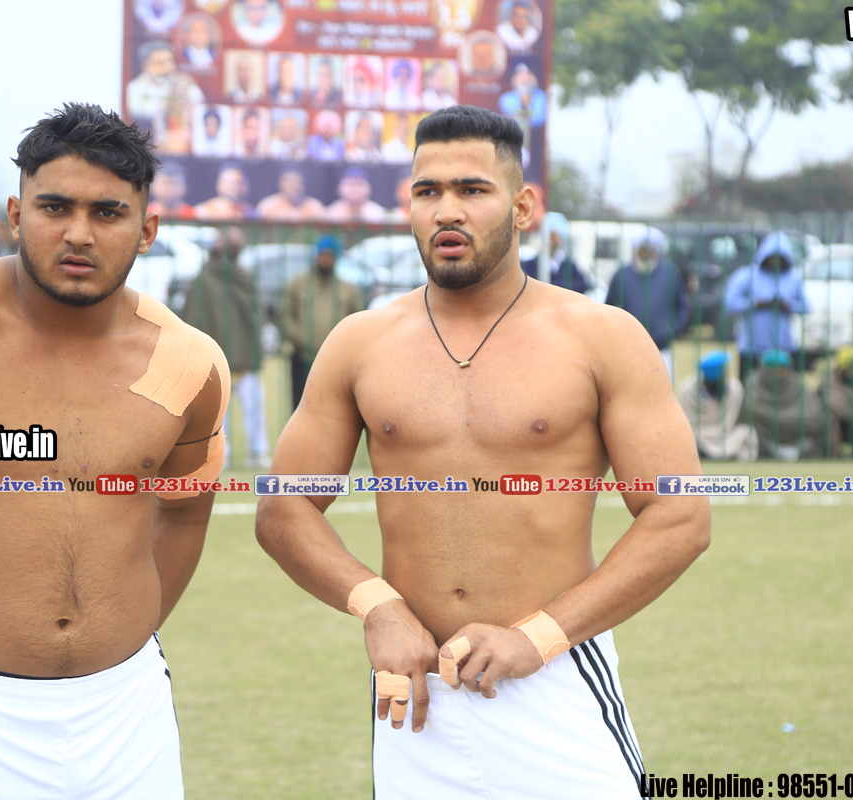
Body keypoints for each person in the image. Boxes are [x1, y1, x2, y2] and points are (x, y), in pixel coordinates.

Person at [256, 105, 709, 799]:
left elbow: (679, 518)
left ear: (523, 207)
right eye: (428, 191)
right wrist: (377, 607)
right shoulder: (361, 341)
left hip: (554, 677)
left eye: (472, 189)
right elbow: (284, 509)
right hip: (414, 689)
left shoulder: (601, 336)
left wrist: (539, 637)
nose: (447, 210)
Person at [0, 103, 228, 799]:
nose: (79, 233)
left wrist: (117, 637)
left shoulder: (188, 362)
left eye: (108, 213)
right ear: (17, 215)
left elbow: (184, 511)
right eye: (55, 207)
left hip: (127, 708)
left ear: (147, 230)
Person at [181, 228, 270, 468]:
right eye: (229, 242)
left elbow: (257, 314)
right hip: (215, 357)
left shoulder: (244, 277)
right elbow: (192, 320)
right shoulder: (203, 279)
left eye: (237, 243)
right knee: (219, 413)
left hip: (245, 356)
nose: (233, 247)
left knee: (254, 407)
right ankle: (222, 454)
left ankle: (258, 452)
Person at [282, 234, 362, 409]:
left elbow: (357, 320)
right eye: (322, 254)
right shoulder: (297, 284)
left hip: (336, 360)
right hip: (303, 357)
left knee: (332, 407)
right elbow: (285, 315)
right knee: (300, 406)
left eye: (329, 255)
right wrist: (301, 339)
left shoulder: (348, 289)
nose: (325, 259)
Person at [723, 231, 809, 385]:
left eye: (780, 257)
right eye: (772, 257)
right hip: (751, 348)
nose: (776, 261)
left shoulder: (794, 277)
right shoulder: (746, 275)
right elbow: (729, 303)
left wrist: (788, 305)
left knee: (783, 390)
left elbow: (806, 307)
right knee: (749, 388)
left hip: (783, 348)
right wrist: (756, 303)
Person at [605, 228, 690, 380]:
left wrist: (673, 329)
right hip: (629, 349)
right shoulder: (622, 275)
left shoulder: (670, 273)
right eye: (642, 250)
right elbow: (609, 307)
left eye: (649, 250)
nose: (645, 254)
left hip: (662, 348)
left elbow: (682, 305)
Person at [745, 348, 835, 460]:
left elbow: (815, 416)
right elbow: (752, 409)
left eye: (782, 371)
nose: (778, 375)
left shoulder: (797, 384)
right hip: (766, 438)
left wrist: (777, 419)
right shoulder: (754, 384)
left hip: (799, 440)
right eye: (773, 370)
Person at [677, 351, 757, 461]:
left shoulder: (735, 388)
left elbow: (729, 421)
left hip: (724, 437)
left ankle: (709, 453)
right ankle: (718, 453)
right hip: (698, 436)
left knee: (747, 432)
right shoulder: (688, 390)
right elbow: (687, 423)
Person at [125, 40, 205, 129]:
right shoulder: (134, 88)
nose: (168, 67)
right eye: (160, 62)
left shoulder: (186, 86)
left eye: (170, 61)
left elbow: (200, 110)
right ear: (146, 65)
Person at [521, 212, 589, 294]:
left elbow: (583, 285)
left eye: (558, 236)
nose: (554, 240)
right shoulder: (530, 266)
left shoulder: (568, 265)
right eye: (551, 236)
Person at [255, 168, 326, 222]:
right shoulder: (267, 206)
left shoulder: (315, 207)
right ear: (280, 183)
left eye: (298, 181)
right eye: (289, 180)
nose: (293, 185)